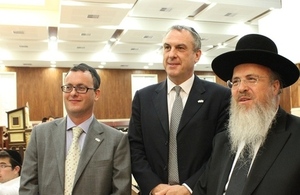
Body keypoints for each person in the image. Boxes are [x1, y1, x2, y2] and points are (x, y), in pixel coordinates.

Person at [128, 25, 230, 195]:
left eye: (180, 48)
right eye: (167, 47)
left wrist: (189, 187)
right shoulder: (143, 98)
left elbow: (221, 153)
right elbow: (134, 148)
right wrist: (154, 186)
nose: (171, 54)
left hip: (200, 191)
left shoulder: (219, 97)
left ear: (197, 55)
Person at [193, 34, 300, 194]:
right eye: (235, 81)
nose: (241, 88)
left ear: (275, 87)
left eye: (251, 79)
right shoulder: (222, 141)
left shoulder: (296, 136)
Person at [20, 63, 131, 195]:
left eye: (81, 88)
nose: (73, 93)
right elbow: (28, 187)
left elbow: (121, 191)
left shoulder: (116, 141)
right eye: (68, 87)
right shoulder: (40, 135)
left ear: (96, 94)